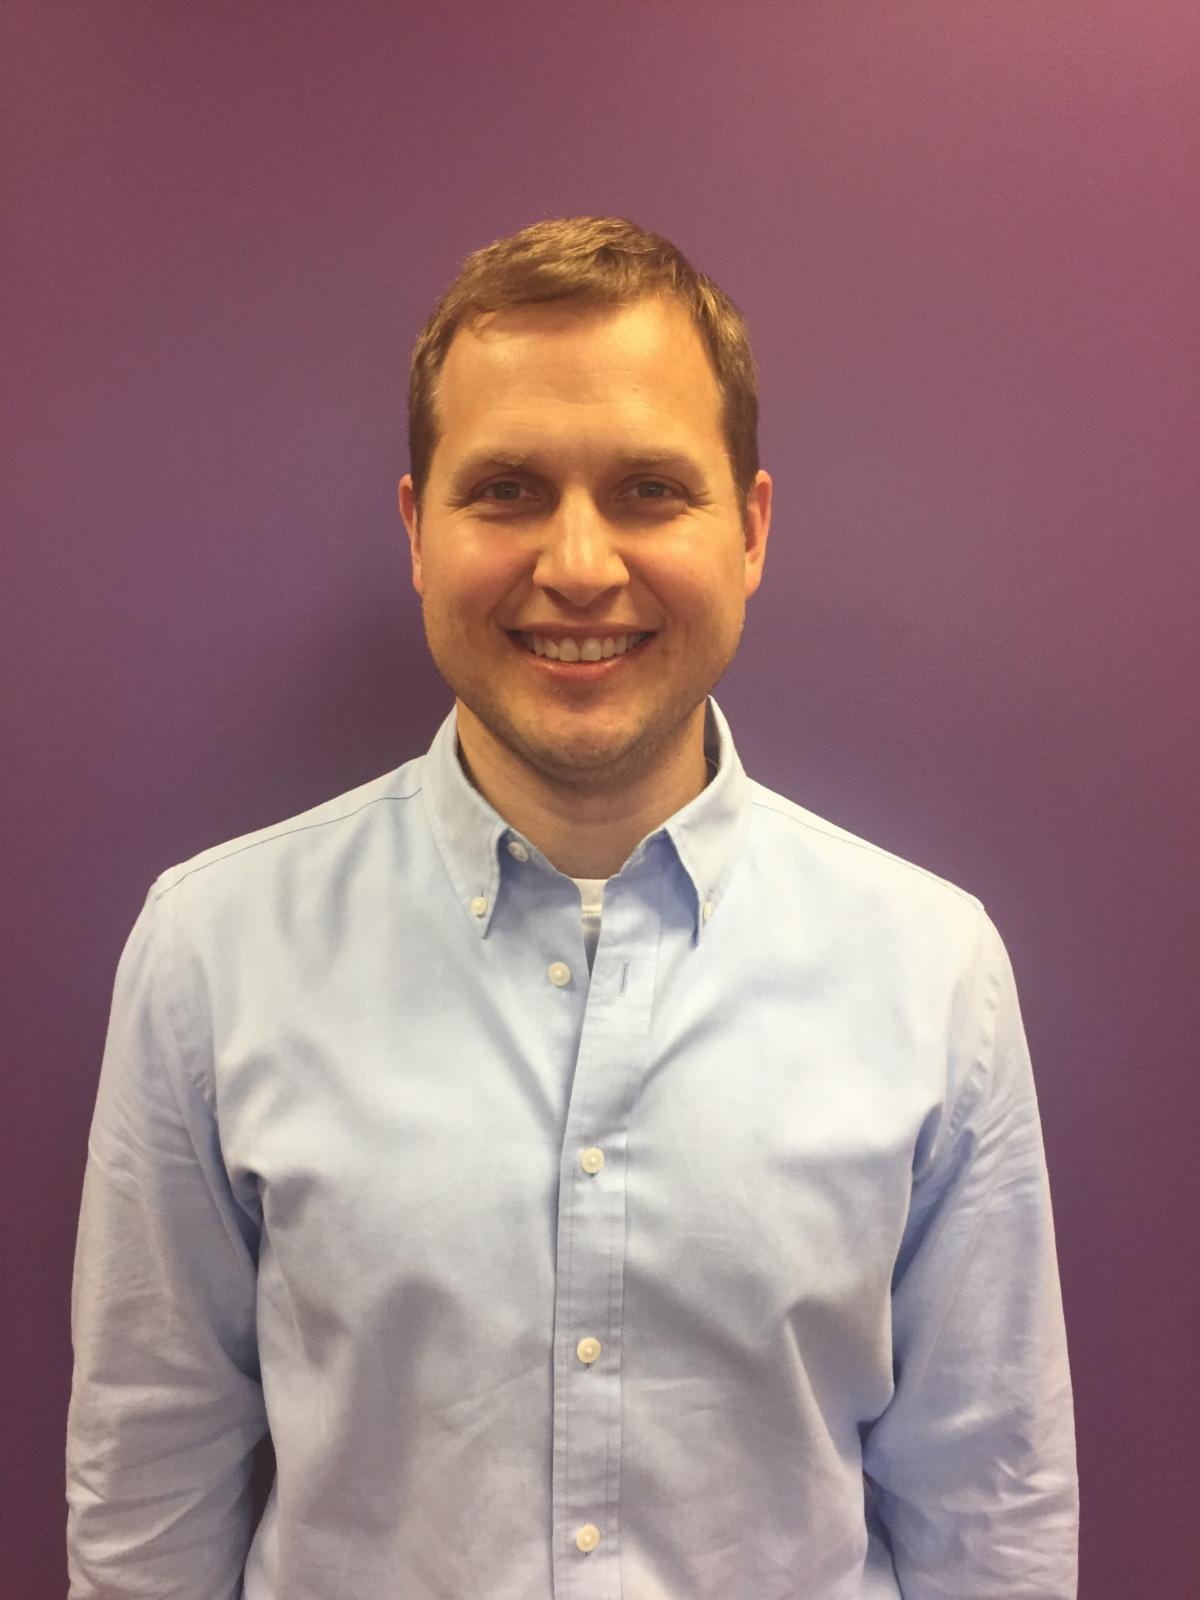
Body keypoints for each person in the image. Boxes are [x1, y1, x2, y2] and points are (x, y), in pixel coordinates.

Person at [67, 215, 1079, 1599]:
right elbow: (148, 1483)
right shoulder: (212, 954)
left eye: (652, 490)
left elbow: (993, 1511)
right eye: (508, 491)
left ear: (751, 530)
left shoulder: (931, 971)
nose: (582, 565)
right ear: (418, 531)